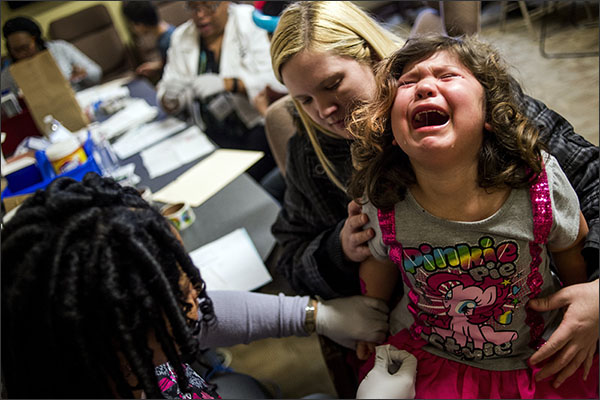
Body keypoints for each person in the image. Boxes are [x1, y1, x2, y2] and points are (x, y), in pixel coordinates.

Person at [270, 0, 598, 390]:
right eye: (303, 100)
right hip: (427, 344)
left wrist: (595, 287)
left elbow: (590, 179)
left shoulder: (469, 97)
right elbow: (288, 257)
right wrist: (338, 249)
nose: (323, 110)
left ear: (376, 61)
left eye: (333, 83)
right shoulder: (311, 151)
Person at [0, 172, 419, 398]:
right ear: (120, 334)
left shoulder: (94, 355)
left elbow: (195, 320)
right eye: (181, 296)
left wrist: (313, 315)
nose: (198, 303)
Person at [346, 35, 598, 398]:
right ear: (392, 132)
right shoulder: (383, 198)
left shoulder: (538, 184)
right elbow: (378, 262)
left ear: (490, 116)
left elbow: (571, 247)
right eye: (408, 82)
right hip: (429, 358)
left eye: (447, 76)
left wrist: (582, 308)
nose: (424, 87)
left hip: (538, 356)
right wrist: (370, 320)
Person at [156, 1, 279, 183]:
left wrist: (230, 84)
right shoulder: (181, 36)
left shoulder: (251, 21)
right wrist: (170, 99)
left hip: (253, 128)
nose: (200, 15)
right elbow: (167, 88)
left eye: (208, 6)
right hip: (208, 132)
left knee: (237, 184)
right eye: (193, 8)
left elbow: (277, 80)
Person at [1, 16, 102, 95]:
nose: (22, 53)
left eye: (26, 47)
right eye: (16, 50)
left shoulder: (59, 48)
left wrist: (84, 73)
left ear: (35, 39)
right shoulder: (9, 73)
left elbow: (96, 74)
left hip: (77, 99)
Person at [122, 1, 175, 80]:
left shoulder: (165, 42)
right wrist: (156, 66)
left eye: (132, 25)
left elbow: (174, 71)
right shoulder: (168, 31)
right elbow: (170, 62)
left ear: (140, 24)